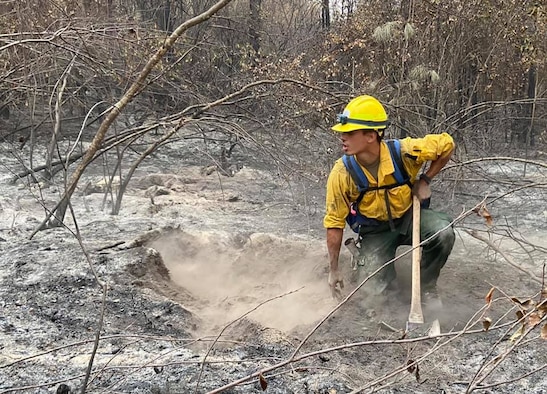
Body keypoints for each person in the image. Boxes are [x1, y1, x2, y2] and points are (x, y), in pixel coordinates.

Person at [324, 95, 455, 304]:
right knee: (374, 297)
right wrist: (333, 269)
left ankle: (426, 287)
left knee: (443, 233)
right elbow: (334, 223)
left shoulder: (404, 153)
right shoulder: (342, 173)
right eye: (342, 132)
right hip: (374, 232)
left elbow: (447, 144)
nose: (342, 137)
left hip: (409, 219)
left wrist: (425, 179)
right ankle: (369, 266)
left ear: (371, 136)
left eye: (349, 132)